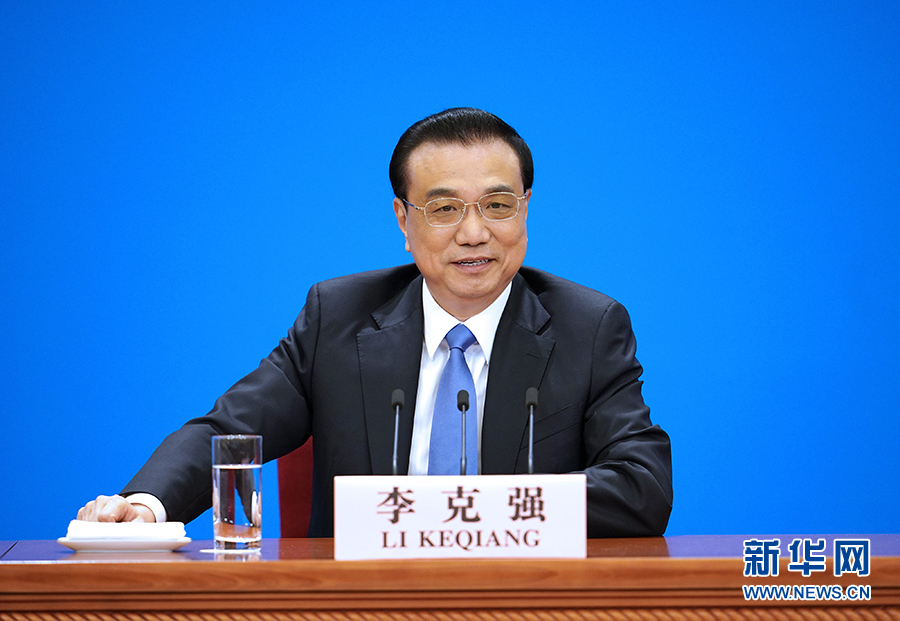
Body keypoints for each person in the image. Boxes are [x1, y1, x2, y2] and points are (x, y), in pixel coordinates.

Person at [77, 107, 673, 537]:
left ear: (525, 210)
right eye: (444, 208)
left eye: (497, 205)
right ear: (404, 221)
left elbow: (641, 487)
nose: (474, 232)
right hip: (357, 602)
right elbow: (229, 430)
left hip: (523, 600)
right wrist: (147, 505)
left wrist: (472, 509)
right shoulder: (338, 318)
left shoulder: (588, 327)